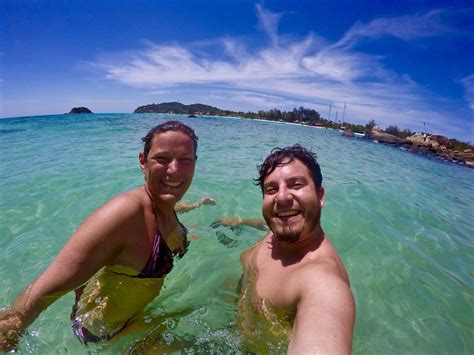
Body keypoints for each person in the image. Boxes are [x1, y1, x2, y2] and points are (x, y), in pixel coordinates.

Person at [0, 120, 214, 351]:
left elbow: (172, 207)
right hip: (103, 331)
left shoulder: (165, 203)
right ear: (143, 162)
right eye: (161, 159)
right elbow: (47, 286)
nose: (174, 170)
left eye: (185, 160)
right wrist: (15, 323)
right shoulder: (125, 213)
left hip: (132, 315)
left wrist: (197, 205)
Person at [238, 144, 355, 354]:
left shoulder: (323, 285)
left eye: (296, 185)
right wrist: (238, 221)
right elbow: (268, 223)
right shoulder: (279, 231)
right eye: (271, 189)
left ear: (320, 196)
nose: (282, 198)